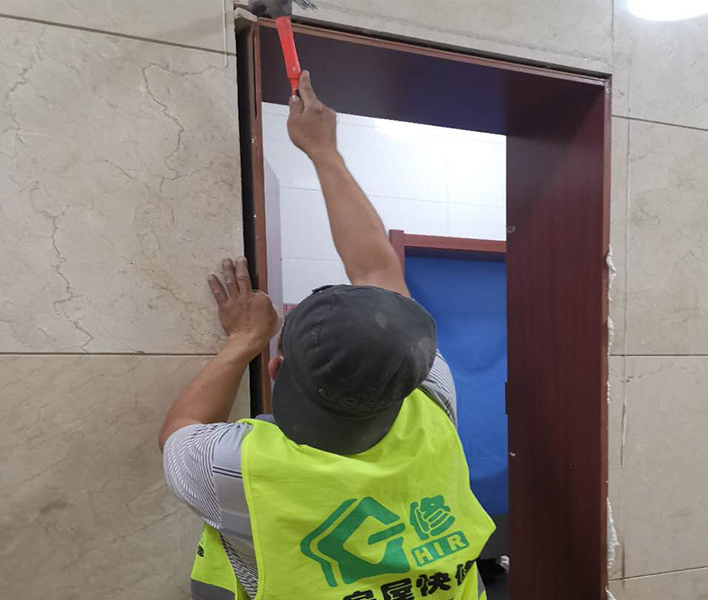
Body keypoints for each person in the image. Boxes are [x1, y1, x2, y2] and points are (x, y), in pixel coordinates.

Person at [159, 71, 495, 600]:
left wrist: (243, 339)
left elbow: (179, 431)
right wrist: (324, 151)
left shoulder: (237, 468)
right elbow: (379, 272)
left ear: (276, 369)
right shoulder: (433, 403)